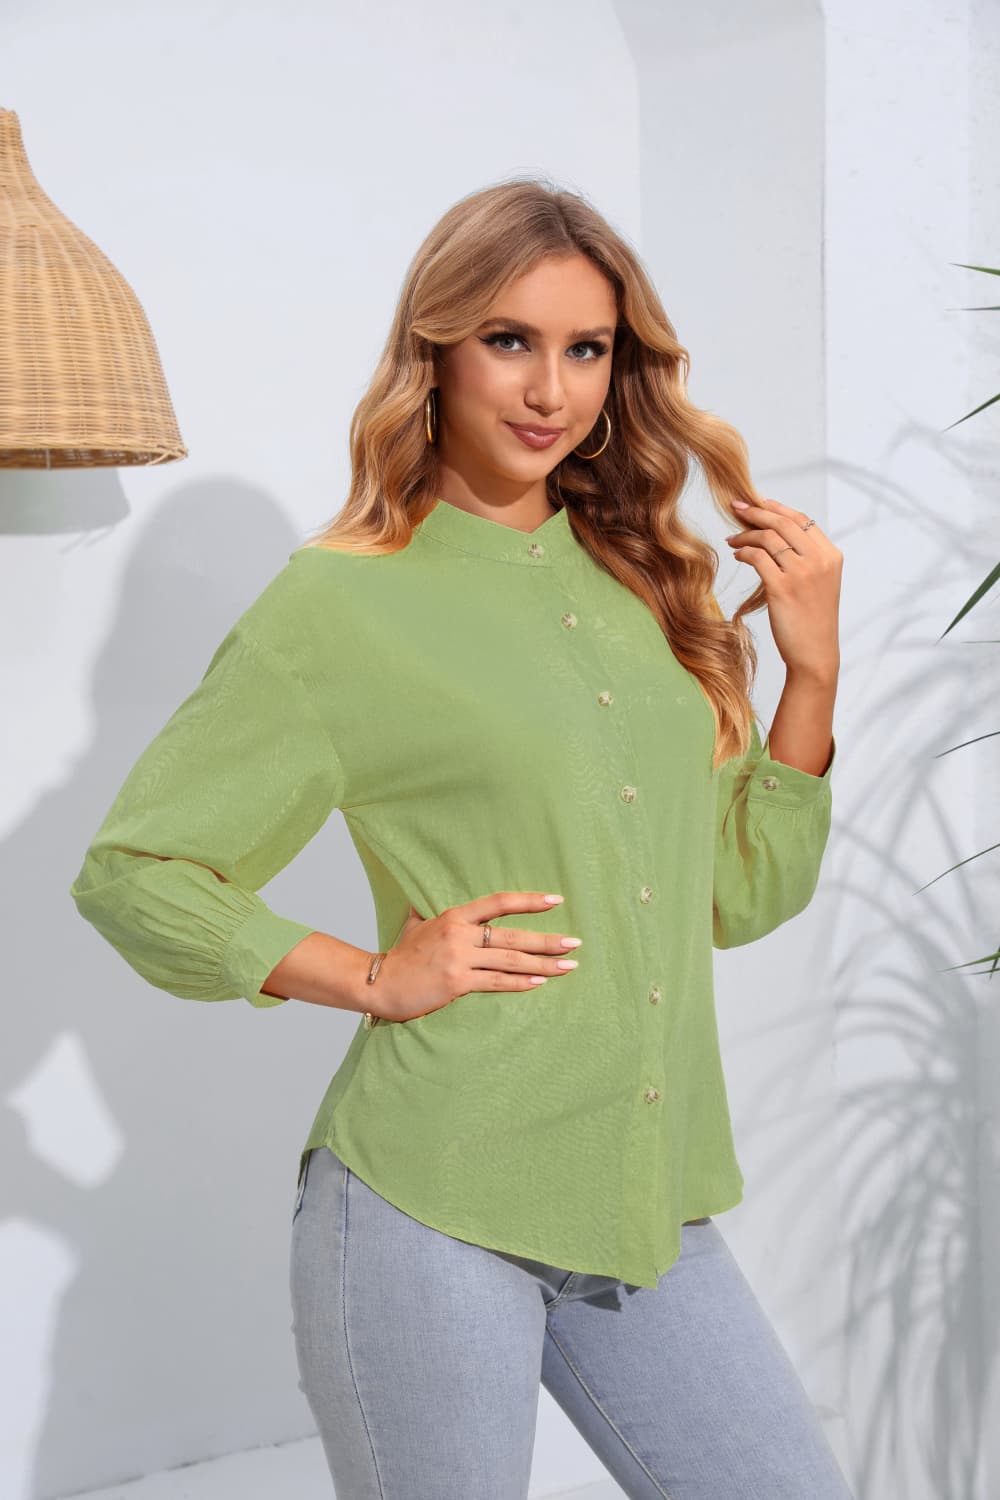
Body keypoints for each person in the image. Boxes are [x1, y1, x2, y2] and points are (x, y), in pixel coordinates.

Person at [70, 177, 853, 1499]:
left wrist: (811, 675)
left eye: (586, 349)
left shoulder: (647, 586)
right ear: (433, 352)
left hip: (644, 1200)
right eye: (508, 340)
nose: (551, 390)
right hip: (430, 1204)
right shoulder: (340, 605)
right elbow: (133, 873)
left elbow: (736, 896)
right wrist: (370, 974)